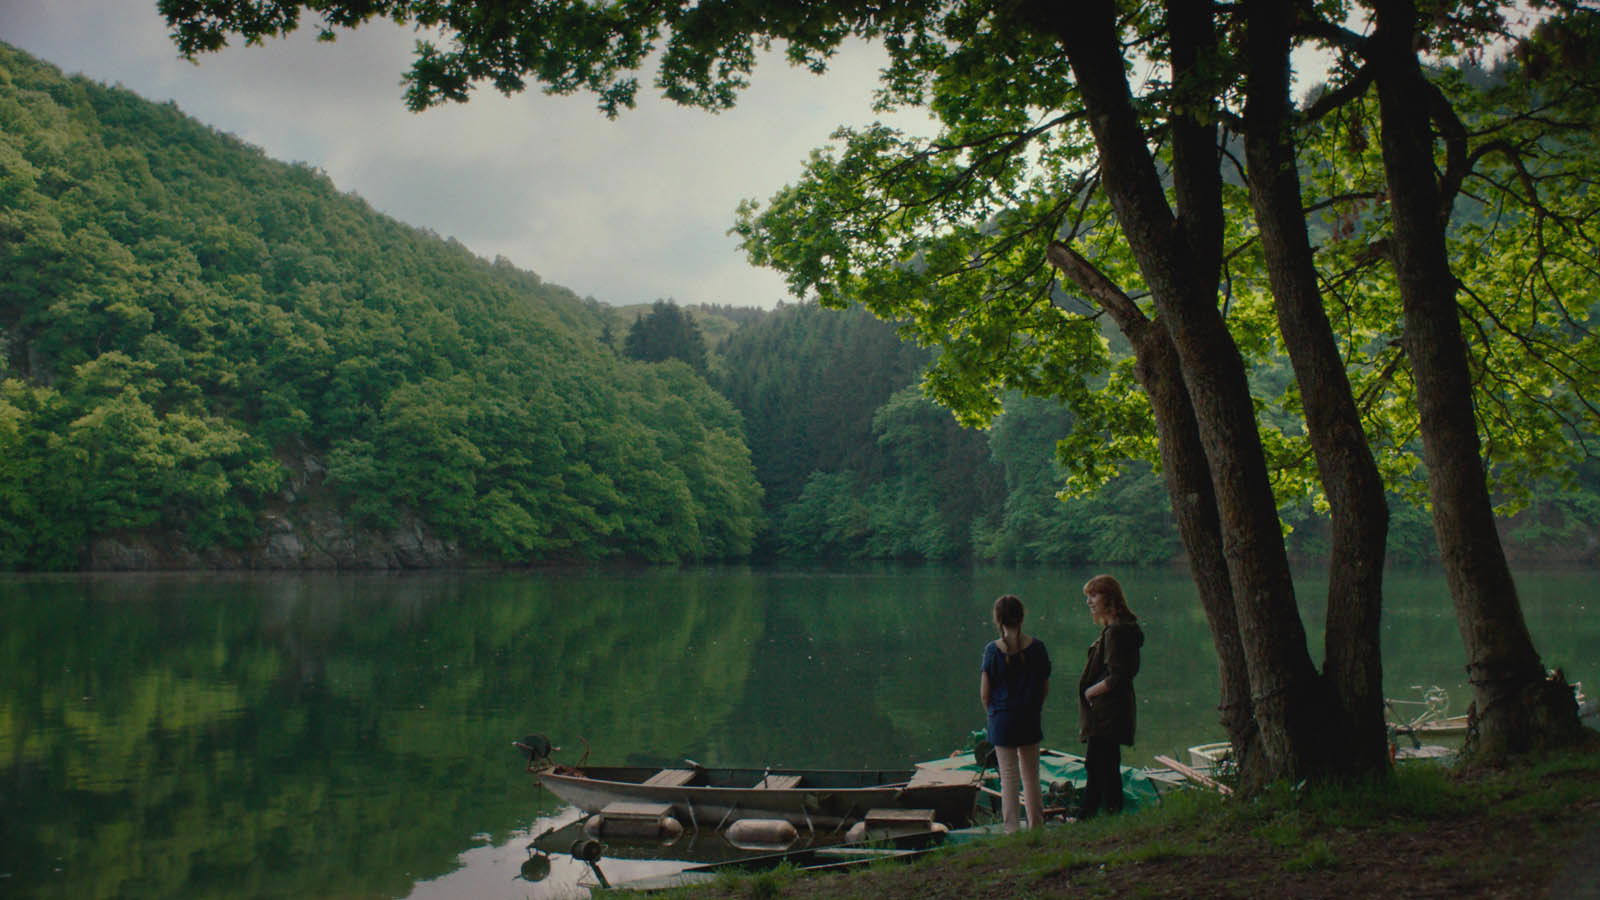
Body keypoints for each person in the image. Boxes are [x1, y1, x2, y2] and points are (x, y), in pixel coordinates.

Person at [980, 593, 1051, 832]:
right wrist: (1034, 708)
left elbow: (985, 694)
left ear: (998, 619)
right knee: (1031, 777)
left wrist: (993, 715)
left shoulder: (992, 651)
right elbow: (1044, 688)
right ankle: (1036, 826)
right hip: (1029, 717)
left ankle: (1011, 829)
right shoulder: (1037, 648)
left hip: (1002, 719)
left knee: (1008, 777)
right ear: (1021, 617)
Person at [1076, 574, 1144, 818]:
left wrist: (1090, 691)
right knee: (1102, 763)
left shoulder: (1116, 632)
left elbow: (1119, 675)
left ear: (1109, 598)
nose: (1089, 601)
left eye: (1094, 595)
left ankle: (1094, 815)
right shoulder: (1119, 628)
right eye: (1088, 596)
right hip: (1110, 709)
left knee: (1100, 764)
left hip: (1107, 711)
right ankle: (1099, 814)